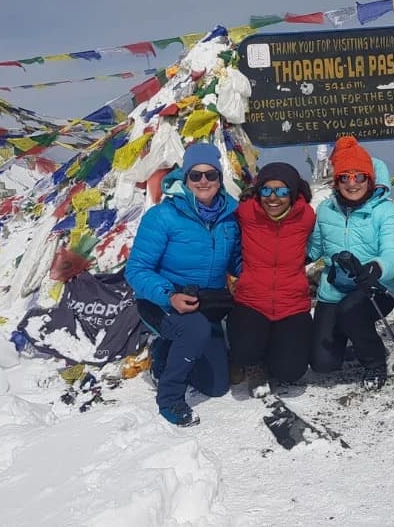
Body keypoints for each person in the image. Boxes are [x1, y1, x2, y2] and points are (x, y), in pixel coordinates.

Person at [127, 143, 240, 426]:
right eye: (196, 175)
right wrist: (169, 295)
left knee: (217, 387)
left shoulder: (229, 217)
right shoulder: (163, 216)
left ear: (219, 178)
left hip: (205, 304)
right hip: (161, 302)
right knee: (195, 330)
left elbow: (237, 261)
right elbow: (136, 269)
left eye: (210, 175)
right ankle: (169, 398)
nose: (203, 181)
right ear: (185, 178)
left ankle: (165, 352)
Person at [307, 136, 394, 390]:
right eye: (345, 177)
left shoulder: (384, 210)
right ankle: (357, 337)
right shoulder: (325, 211)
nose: (352, 184)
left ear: (370, 179)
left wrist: (376, 267)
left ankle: (374, 363)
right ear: (336, 180)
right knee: (323, 363)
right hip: (334, 291)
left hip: (375, 289)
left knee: (351, 311)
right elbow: (314, 249)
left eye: (359, 177)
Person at [230, 162, 316, 397]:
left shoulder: (306, 217)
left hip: (291, 303)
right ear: (258, 192)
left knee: (290, 371)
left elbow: (317, 244)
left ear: (293, 192)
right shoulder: (246, 212)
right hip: (252, 300)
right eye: (267, 190)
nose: (273, 198)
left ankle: (272, 354)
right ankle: (254, 364)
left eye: (282, 191)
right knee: (244, 350)